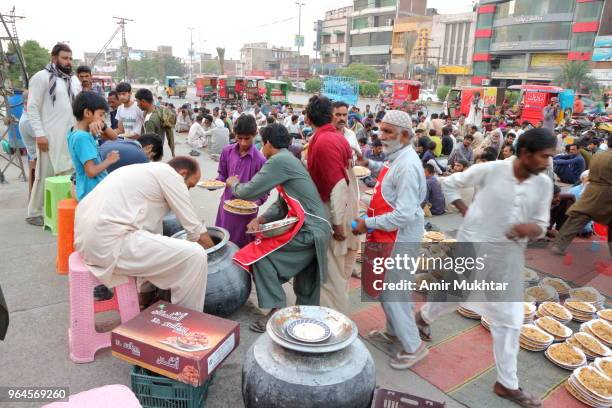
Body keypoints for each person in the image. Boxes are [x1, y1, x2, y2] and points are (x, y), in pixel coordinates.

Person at [416, 127, 557, 408]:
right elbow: (450, 184)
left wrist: (531, 228)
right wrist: (467, 212)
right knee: (455, 295)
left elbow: (541, 224)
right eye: (544, 156)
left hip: (508, 258)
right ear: (526, 154)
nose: (548, 162)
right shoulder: (491, 170)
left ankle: (507, 383)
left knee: (509, 319)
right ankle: (424, 317)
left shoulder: (543, 184)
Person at [226, 124, 331, 332]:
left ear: (268, 143)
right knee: (306, 284)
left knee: (260, 257)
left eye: (260, 143)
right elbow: (283, 201)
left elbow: (248, 192)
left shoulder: (278, 160)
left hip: (309, 229)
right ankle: (306, 327)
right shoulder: (289, 159)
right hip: (318, 228)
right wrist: (263, 218)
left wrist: (234, 184)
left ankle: (276, 311)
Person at [75, 158, 214, 311]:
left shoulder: (143, 171)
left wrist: (145, 295)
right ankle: (188, 322)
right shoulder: (170, 175)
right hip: (110, 241)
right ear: (183, 173)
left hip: (88, 242)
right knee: (195, 256)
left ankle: (145, 301)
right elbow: (195, 229)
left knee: (162, 245)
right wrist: (213, 248)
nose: (187, 190)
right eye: (189, 186)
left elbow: (150, 234)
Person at [352, 110, 428, 369]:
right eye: (381, 130)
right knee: (385, 289)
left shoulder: (407, 165)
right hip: (386, 234)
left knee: (394, 291)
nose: (381, 136)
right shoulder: (397, 157)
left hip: (399, 236)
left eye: (387, 132)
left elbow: (404, 214)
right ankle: (393, 331)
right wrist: (367, 162)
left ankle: (414, 347)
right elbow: (386, 175)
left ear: (405, 135)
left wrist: (367, 223)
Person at [305, 97, 360, 315]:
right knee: (340, 274)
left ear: (308, 118)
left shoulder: (325, 141)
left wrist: (337, 225)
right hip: (346, 209)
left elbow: (337, 187)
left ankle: (335, 327)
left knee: (333, 279)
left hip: (338, 213)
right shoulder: (335, 139)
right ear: (330, 116)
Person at [26, 43, 82, 226]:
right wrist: (39, 134)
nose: (68, 62)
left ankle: (62, 210)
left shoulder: (73, 80)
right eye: (64, 58)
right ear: (54, 58)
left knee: (69, 172)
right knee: (45, 174)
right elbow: (32, 108)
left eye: (70, 58)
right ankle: (34, 212)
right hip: (48, 137)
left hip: (71, 134)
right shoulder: (41, 78)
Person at [215, 115, 268, 248]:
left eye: (247, 138)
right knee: (222, 243)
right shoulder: (227, 151)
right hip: (226, 208)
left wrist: (252, 204)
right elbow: (222, 175)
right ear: (235, 134)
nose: (243, 143)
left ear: (255, 134)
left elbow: (264, 193)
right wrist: (216, 183)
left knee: (241, 247)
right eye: (240, 138)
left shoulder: (260, 161)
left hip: (246, 214)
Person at [552, 142, 612, 254]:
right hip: (608, 194)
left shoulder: (598, 155)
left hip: (591, 190)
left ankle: (559, 245)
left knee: (577, 218)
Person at [67, 91, 120, 200]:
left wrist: (103, 125)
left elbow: (114, 137)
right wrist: (109, 160)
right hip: (92, 191)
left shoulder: (76, 132)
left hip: (88, 188)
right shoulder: (83, 137)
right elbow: (91, 171)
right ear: (87, 113)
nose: (103, 119)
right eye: (100, 115)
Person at [135, 88, 176, 157]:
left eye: (138, 102)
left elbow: (149, 144)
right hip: (159, 149)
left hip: (152, 155)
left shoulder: (150, 121)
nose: (137, 105)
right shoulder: (157, 110)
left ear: (143, 101)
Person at [18, 90, 37, 194]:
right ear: (26, 103)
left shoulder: (31, 117)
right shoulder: (27, 121)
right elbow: (45, 138)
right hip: (37, 157)